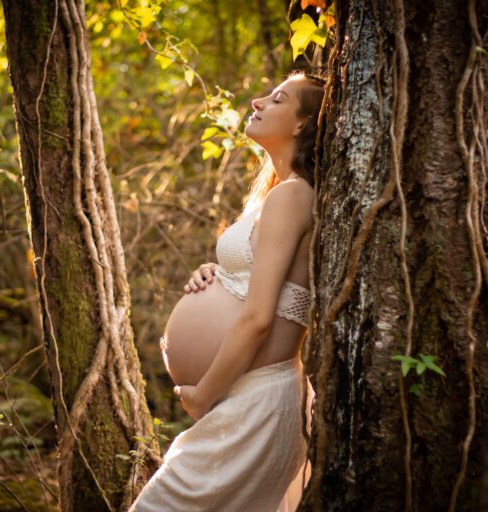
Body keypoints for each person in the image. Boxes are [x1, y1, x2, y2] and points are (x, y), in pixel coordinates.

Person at [130, 70, 325, 512]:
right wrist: (215, 273)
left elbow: (258, 320)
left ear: (300, 124)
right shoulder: (273, 195)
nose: (257, 102)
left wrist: (202, 396)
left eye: (276, 99)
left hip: (253, 400)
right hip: (247, 396)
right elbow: (260, 282)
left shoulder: (292, 195)